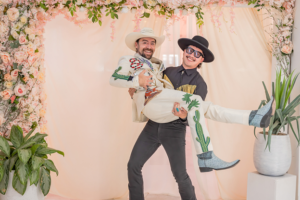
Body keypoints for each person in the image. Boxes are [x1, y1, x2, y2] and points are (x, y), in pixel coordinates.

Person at [109, 27, 274, 200]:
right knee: (134, 165)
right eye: (189, 51)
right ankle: (207, 155)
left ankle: (253, 117)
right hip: (153, 123)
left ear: (201, 60)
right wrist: (135, 87)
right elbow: (136, 86)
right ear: (184, 51)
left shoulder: (199, 84)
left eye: (197, 54)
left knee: (182, 173)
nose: (192, 55)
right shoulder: (165, 70)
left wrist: (182, 116)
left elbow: (195, 118)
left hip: (174, 129)